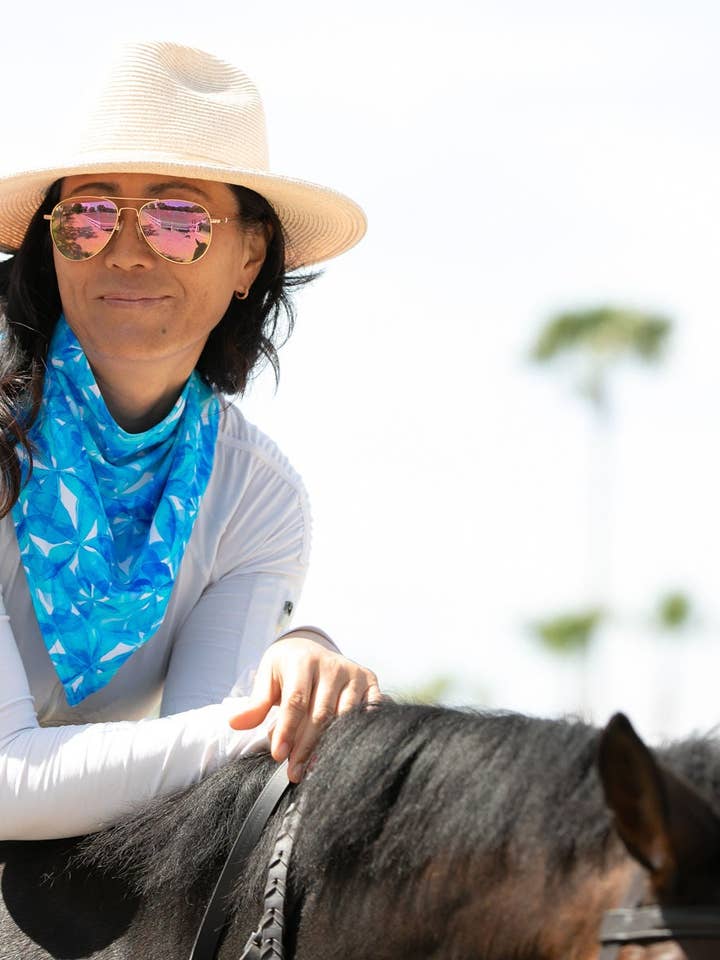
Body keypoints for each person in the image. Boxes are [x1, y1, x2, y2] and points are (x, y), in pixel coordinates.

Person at [0, 41, 379, 841]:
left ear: (250, 257)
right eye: (91, 214)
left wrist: (303, 658)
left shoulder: (257, 499)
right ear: (53, 241)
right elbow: (8, 780)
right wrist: (282, 713)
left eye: (178, 220)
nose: (127, 249)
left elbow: (191, 815)